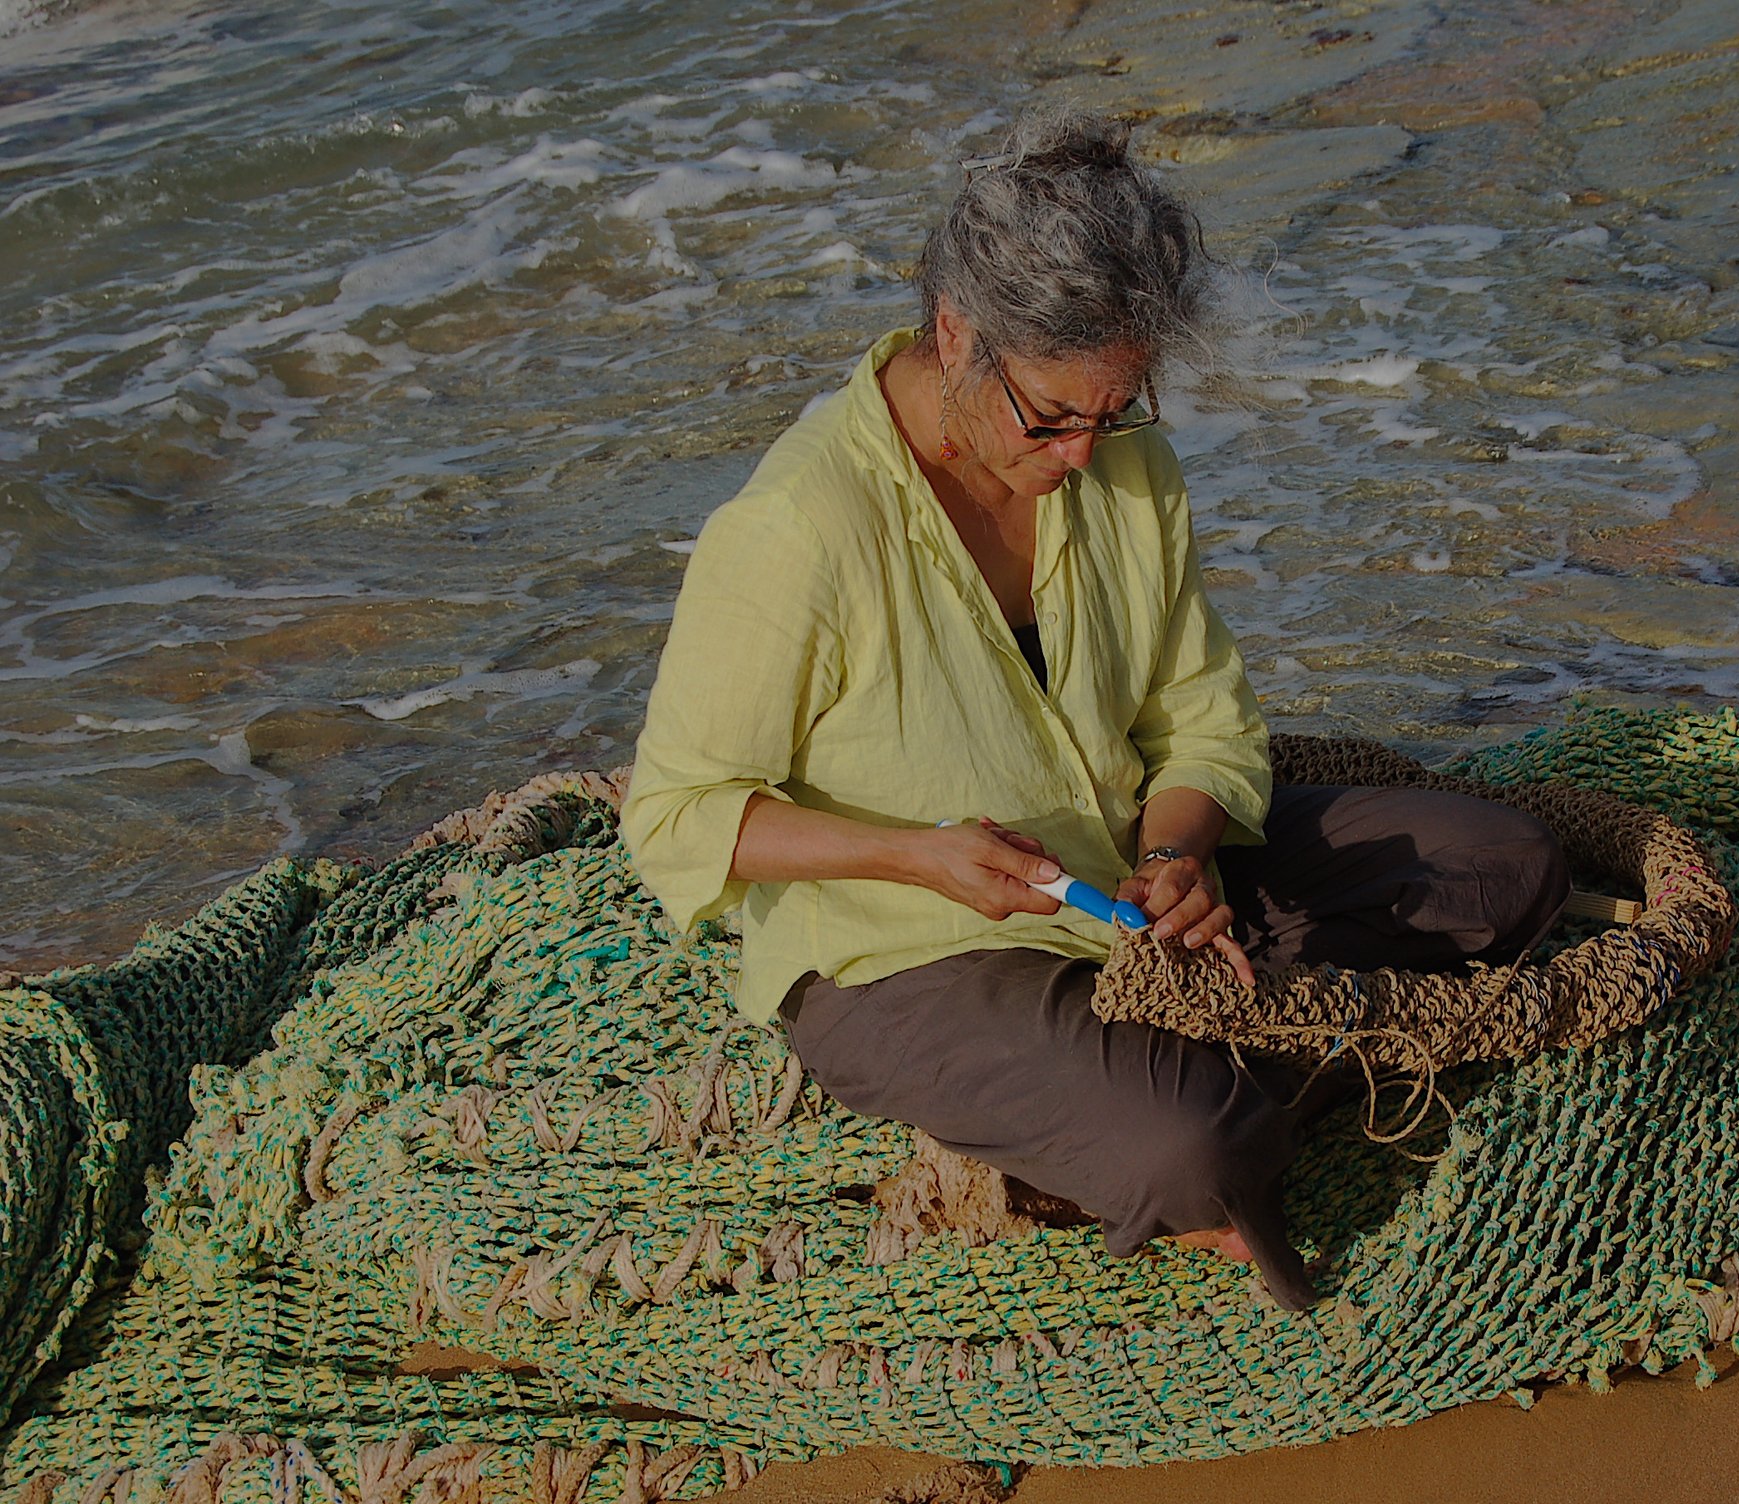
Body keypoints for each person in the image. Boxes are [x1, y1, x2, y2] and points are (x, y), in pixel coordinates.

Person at [621, 111, 1568, 1311]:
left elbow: (1199, 717)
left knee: (1505, 867)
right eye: (1051, 419)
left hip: (1115, 890)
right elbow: (678, 818)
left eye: (1115, 414)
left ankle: (1159, 1098)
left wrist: (1176, 852)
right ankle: (1185, 1117)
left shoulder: (1121, 464)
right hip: (909, 958)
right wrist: (916, 856)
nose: (1082, 457)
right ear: (955, 335)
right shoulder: (796, 531)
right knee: (1196, 1150)